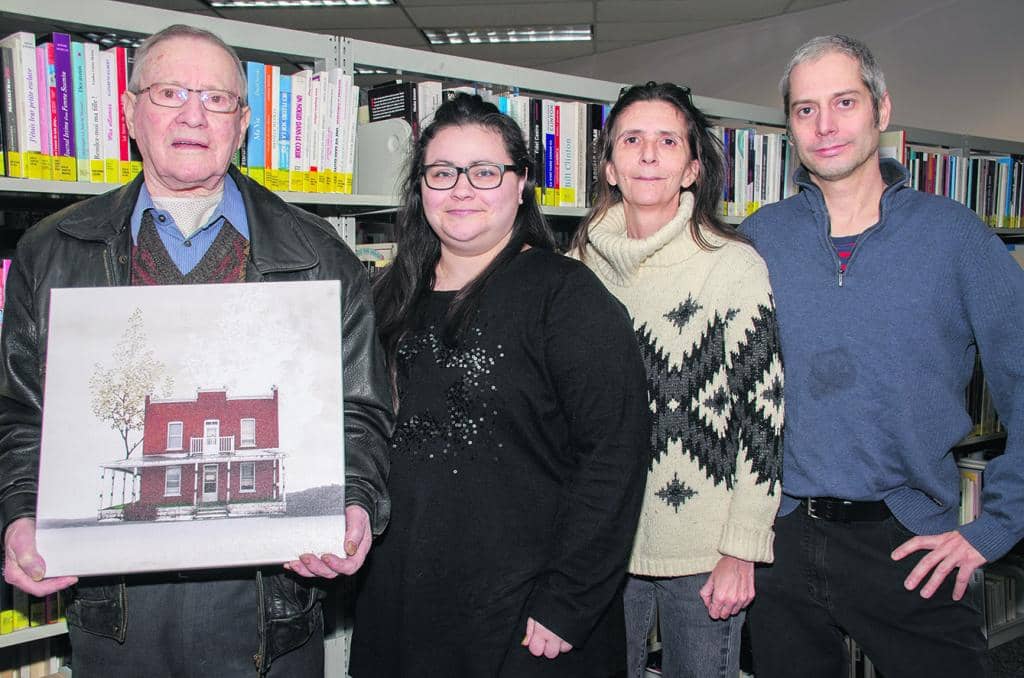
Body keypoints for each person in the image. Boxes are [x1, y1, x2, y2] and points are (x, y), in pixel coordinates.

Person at [0, 24, 394, 677]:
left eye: (216, 99)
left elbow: (362, 413)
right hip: (115, 618)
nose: (192, 114)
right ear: (129, 111)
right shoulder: (53, 253)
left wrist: (351, 502)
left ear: (242, 124)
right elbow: (20, 414)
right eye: (170, 92)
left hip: (274, 615)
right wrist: (19, 515)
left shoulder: (320, 257)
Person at [741, 34, 1024, 677]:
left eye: (844, 101)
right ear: (788, 126)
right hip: (777, 537)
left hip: (911, 539)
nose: (826, 125)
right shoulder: (758, 239)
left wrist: (998, 525)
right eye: (805, 109)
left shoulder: (956, 238)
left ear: (882, 110)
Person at [348, 93, 650, 677]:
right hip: (400, 607)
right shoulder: (383, 299)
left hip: (526, 621)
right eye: (442, 173)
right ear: (421, 187)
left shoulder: (566, 296)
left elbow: (616, 453)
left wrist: (569, 599)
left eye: (485, 172)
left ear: (521, 184)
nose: (461, 189)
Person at [570, 82, 784, 678]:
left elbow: (762, 415)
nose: (648, 154)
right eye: (632, 139)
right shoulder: (576, 269)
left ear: (691, 169)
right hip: (600, 541)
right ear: (609, 167)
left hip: (703, 550)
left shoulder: (732, 265)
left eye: (667, 141)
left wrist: (742, 550)